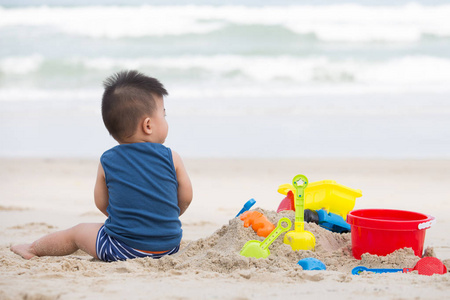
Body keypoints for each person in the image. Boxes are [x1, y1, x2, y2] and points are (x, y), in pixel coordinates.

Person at [11, 70, 193, 262]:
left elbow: (101, 202)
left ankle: (33, 248)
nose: (166, 120)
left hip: (121, 250)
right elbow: (186, 197)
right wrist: (164, 214)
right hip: (170, 247)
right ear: (148, 125)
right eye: (164, 116)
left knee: (76, 233)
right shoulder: (172, 157)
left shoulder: (108, 160)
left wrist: (126, 215)